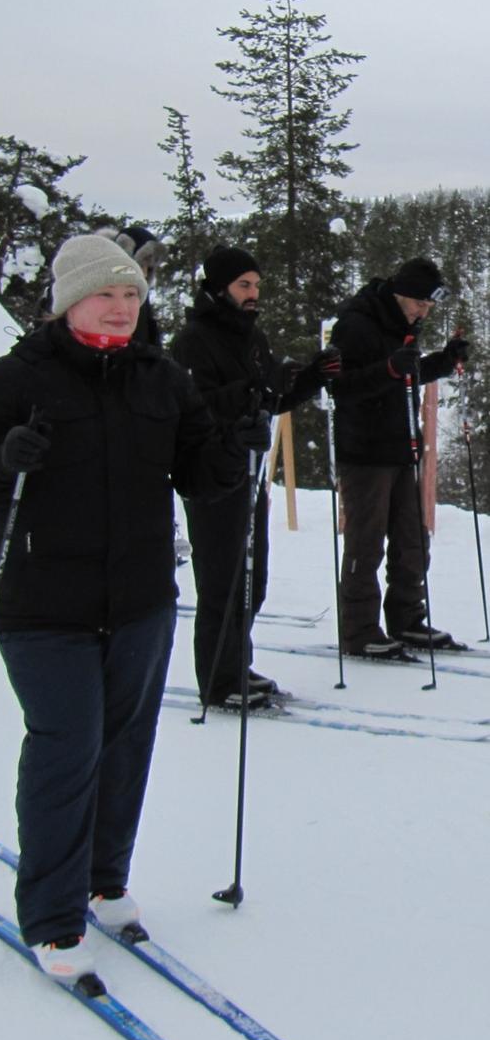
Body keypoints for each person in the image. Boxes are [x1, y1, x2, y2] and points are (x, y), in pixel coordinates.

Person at [0, 233, 269, 986]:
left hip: (140, 600)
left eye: (130, 296)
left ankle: (103, 879)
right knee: (67, 749)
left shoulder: (161, 379)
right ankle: (53, 919)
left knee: (124, 748)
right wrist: (1, 461)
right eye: (104, 296)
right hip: (42, 607)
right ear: (67, 302)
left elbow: (200, 477)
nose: (121, 310)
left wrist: (234, 449)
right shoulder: (14, 381)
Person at [170, 246, 340, 708]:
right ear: (218, 287)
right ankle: (219, 680)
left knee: (252, 578)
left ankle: (235, 664)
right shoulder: (194, 340)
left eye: (256, 286)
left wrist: (310, 379)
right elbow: (193, 404)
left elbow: (269, 400)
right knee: (222, 580)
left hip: (248, 471)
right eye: (244, 285)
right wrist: (255, 389)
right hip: (209, 472)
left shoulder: (251, 336)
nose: (253, 294)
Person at [331, 256, 468, 658]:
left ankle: (407, 620)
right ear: (400, 293)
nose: (424, 310)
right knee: (365, 543)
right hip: (364, 451)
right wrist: (389, 370)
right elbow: (340, 388)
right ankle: (359, 631)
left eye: (429, 305)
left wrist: (444, 361)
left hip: (400, 446)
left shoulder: (404, 324)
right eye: (420, 303)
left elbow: (404, 374)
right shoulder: (356, 324)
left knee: (413, 541)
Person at [95, 224, 165, 345]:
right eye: (141, 265)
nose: (144, 273)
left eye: (149, 268)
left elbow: (149, 342)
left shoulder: (139, 297)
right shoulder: (89, 288)